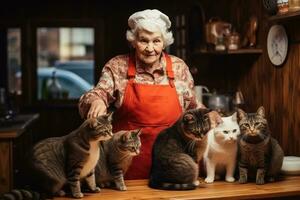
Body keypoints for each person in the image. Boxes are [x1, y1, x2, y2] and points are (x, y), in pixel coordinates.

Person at [78, 9, 222, 180]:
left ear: (164, 42)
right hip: (126, 168)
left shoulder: (178, 67)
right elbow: (97, 93)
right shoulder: (118, 66)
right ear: (133, 41)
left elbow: (192, 107)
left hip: (174, 166)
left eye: (156, 41)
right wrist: (96, 101)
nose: (150, 48)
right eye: (143, 40)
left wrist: (210, 114)